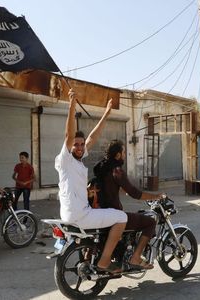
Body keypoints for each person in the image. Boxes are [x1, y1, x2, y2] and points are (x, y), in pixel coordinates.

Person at [55, 88, 127, 273]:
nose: (79, 147)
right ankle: (104, 261)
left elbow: (93, 137)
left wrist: (106, 113)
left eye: (81, 144)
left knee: (105, 212)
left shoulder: (77, 159)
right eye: (76, 145)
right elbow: (68, 136)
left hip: (74, 213)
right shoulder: (65, 159)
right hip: (80, 215)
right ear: (69, 147)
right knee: (122, 217)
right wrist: (72, 103)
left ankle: (95, 254)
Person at [93, 139, 163, 270]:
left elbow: (108, 186)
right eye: (124, 152)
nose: (125, 154)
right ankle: (136, 257)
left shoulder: (102, 168)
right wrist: (156, 196)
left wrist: (120, 188)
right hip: (114, 214)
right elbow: (135, 193)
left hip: (100, 212)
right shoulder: (117, 170)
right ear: (118, 155)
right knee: (150, 222)